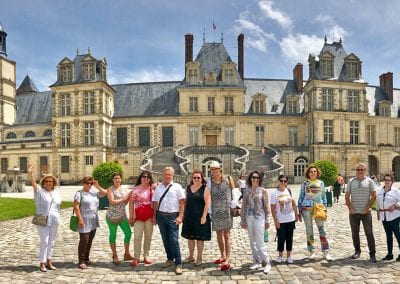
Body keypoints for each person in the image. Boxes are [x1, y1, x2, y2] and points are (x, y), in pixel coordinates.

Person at [152, 167, 185, 275]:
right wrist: (154, 216)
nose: (167, 176)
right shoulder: (158, 188)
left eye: (169, 174)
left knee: (174, 240)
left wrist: (180, 216)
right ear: (163, 175)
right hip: (161, 216)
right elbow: (155, 203)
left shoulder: (177, 187)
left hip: (173, 216)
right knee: (165, 239)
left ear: (172, 175)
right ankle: (170, 259)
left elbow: (182, 202)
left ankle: (178, 263)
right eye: (166, 174)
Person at [27, 165, 61, 272]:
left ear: (53, 183)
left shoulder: (56, 192)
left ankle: (49, 261)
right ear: (44, 182)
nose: (49, 183)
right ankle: (42, 262)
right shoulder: (40, 191)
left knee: (52, 241)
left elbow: (57, 206)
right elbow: (33, 184)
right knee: (44, 241)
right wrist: (31, 174)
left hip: (54, 219)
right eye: (47, 181)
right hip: (42, 218)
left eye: (51, 181)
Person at [297, 164, 332, 261]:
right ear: (308, 173)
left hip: (318, 207)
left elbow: (324, 196)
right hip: (306, 208)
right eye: (311, 171)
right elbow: (301, 197)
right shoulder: (304, 183)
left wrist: (325, 208)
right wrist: (299, 210)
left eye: (314, 171)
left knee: (322, 230)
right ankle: (311, 251)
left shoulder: (321, 183)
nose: (313, 173)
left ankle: (326, 251)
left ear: (317, 173)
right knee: (309, 231)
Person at [240, 171, 272, 273]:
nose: (255, 179)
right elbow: (244, 206)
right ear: (250, 179)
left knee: (260, 241)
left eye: (257, 178)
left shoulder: (263, 191)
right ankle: (257, 261)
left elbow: (267, 206)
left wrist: (267, 220)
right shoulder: (247, 191)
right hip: (249, 217)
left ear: (260, 179)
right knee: (252, 241)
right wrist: (242, 220)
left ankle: (267, 262)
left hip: (259, 217)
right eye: (253, 177)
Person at [345, 162, 377, 262]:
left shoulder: (370, 181)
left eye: (362, 170)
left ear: (365, 171)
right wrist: (350, 208)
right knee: (355, 233)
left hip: (366, 213)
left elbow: (374, 196)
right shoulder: (351, 181)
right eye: (358, 170)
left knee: (369, 233)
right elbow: (347, 196)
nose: (360, 171)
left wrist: (367, 208)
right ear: (356, 171)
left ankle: (372, 253)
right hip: (353, 213)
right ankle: (357, 251)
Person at [73, 176, 107, 269]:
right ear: (83, 183)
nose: (89, 185)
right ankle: (81, 260)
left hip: (93, 219)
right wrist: (80, 219)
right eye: (87, 183)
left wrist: (97, 186)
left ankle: (87, 258)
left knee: (90, 240)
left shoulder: (94, 193)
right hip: (84, 218)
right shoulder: (79, 193)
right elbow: (76, 206)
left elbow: (106, 193)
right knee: (84, 240)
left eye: (90, 183)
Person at [208, 161, 235, 271]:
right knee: (219, 234)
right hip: (216, 211)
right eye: (212, 169)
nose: (214, 171)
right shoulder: (210, 182)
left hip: (226, 210)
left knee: (227, 235)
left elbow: (235, 192)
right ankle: (222, 255)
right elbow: (208, 196)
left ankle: (228, 258)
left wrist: (233, 205)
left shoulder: (228, 178)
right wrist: (209, 211)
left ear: (220, 169)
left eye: (216, 169)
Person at [181, 169, 211, 266]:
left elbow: (207, 203)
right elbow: (184, 202)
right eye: (195, 177)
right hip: (189, 216)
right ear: (192, 179)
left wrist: (204, 216)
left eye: (198, 177)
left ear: (202, 178)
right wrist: (182, 214)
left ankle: (199, 257)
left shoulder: (205, 189)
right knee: (190, 237)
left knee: (199, 238)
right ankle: (191, 256)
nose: (196, 179)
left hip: (200, 216)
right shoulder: (188, 188)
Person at [128, 171, 155, 267]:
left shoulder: (152, 189)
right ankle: (136, 257)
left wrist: (154, 216)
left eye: (148, 177)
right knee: (137, 237)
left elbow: (155, 204)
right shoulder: (135, 190)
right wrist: (131, 216)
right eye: (144, 176)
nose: (146, 178)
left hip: (149, 216)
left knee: (148, 237)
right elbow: (131, 203)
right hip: (138, 217)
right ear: (141, 178)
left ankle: (146, 256)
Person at [270, 174, 299, 264]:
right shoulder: (274, 193)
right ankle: (280, 256)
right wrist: (275, 221)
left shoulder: (288, 190)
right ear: (278, 181)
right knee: (281, 238)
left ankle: (289, 256)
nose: (283, 182)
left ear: (287, 183)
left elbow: (293, 204)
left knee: (289, 238)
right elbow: (273, 209)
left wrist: (296, 215)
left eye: (285, 181)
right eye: (281, 181)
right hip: (281, 219)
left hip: (290, 218)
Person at [106, 172, 133, 265]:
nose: (117, 180)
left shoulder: (123, 189)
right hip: (112, 216)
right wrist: (124, 198)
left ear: (121, 179)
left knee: (128, 233)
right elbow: (112, 201)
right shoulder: (110, 189)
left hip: (122, 216)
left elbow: (125, 203)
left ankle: (127, 254)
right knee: (113, 235)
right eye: (115, 178)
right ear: (113, 180)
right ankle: (115, 255)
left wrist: (128, 197)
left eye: (119, 178)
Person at [376, 173, 400, 261]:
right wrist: (378, 213)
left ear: (392, 182)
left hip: (394, 217)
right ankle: (390, 254)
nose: (387, 181)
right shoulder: (380, 191)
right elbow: (378, 203)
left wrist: (395, 206)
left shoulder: (396, 191)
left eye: (389, 180)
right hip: (384, 217)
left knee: (398, 235)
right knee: (388, 235)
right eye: (385, 180)